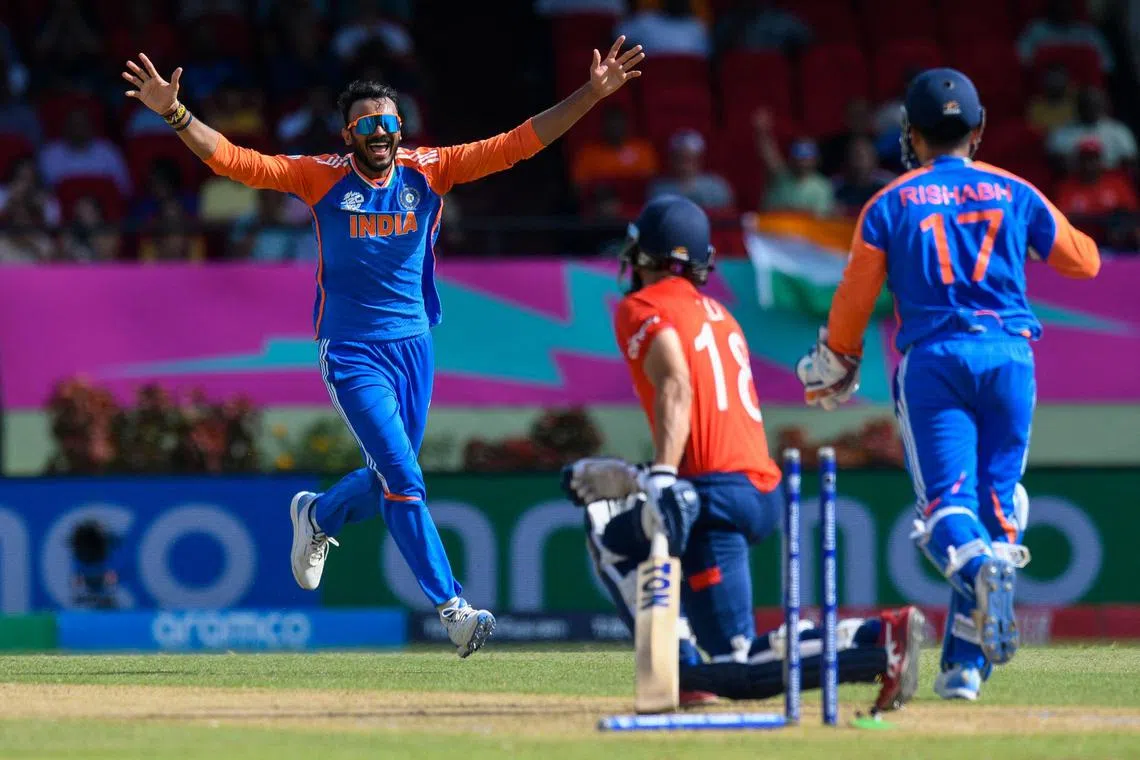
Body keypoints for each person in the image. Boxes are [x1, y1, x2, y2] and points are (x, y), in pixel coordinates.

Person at [120, 37, 644, 657]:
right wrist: (177, 114)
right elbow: (235, 161)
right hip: (351, 352)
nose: (381, 133)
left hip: (415, 345)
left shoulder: (431, 170)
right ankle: (453, 608)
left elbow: (520, 142)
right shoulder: (320, 177)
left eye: (390, 123)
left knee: (392, 478)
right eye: (368, 125)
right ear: (348, 135)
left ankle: (316, 517)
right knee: (404, 477)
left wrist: (591, 93)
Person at [795, 68, 1100, 701]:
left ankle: (981, 570)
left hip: (935, 362)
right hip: (1011, 358)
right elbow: (1085, 262)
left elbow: (855, 296)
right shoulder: (1014, 190)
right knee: (999, 505)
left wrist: (839, 356)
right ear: (979, 128)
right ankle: (964, 668)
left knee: (947, 511)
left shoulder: (891, 202)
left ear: (911, 133)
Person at [561, 195, 924, 710]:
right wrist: (638, 475)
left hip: (709, 493)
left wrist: (658, 476)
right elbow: (708, 418)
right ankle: (862, 638)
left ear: (648, 255)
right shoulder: (721, 315)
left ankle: (868, 646)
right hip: (747, 488)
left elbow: (677, 385)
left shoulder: (641, 306)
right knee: (736, 649)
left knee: (612, 538)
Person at [647, 129, 734, 210]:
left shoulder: (717, 186)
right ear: (671, 159)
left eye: (689, 159)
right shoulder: (659, 189)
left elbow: (727, 216)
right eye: (680, 158)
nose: (684, 165)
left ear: (699, 159)